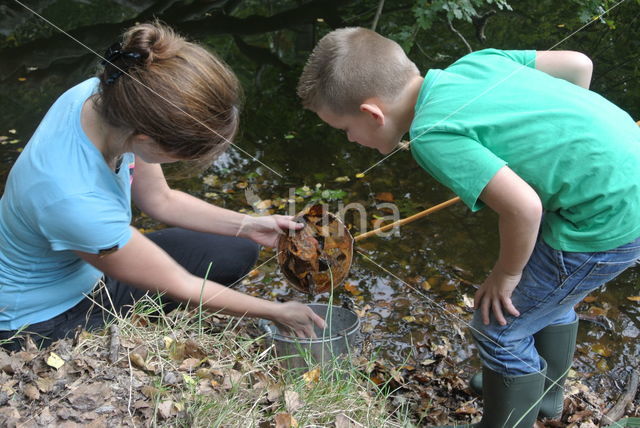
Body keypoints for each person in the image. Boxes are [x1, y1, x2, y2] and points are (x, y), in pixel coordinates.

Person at [297, 27, 640, 427]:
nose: (352, 140)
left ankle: (512, 402)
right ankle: (542, 397)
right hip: (624, 180)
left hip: (606, 220)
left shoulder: (431, 135)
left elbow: (525, 209)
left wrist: (505, 274)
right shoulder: (479, 62)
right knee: (550, 298)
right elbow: (579, 64)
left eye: (346, 130)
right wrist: (564, 144)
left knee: (497, 327)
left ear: (374, 113)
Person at [0, 21, 324, 352]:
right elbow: (179, 284)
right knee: (178, 285)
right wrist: (277, 312)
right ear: (145, 139)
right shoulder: (72, 198)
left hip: (86, 265)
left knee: (236, 248)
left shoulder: (115, 95)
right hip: (38, 320)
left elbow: (160, 199)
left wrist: (251, 225)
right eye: (182, 154)